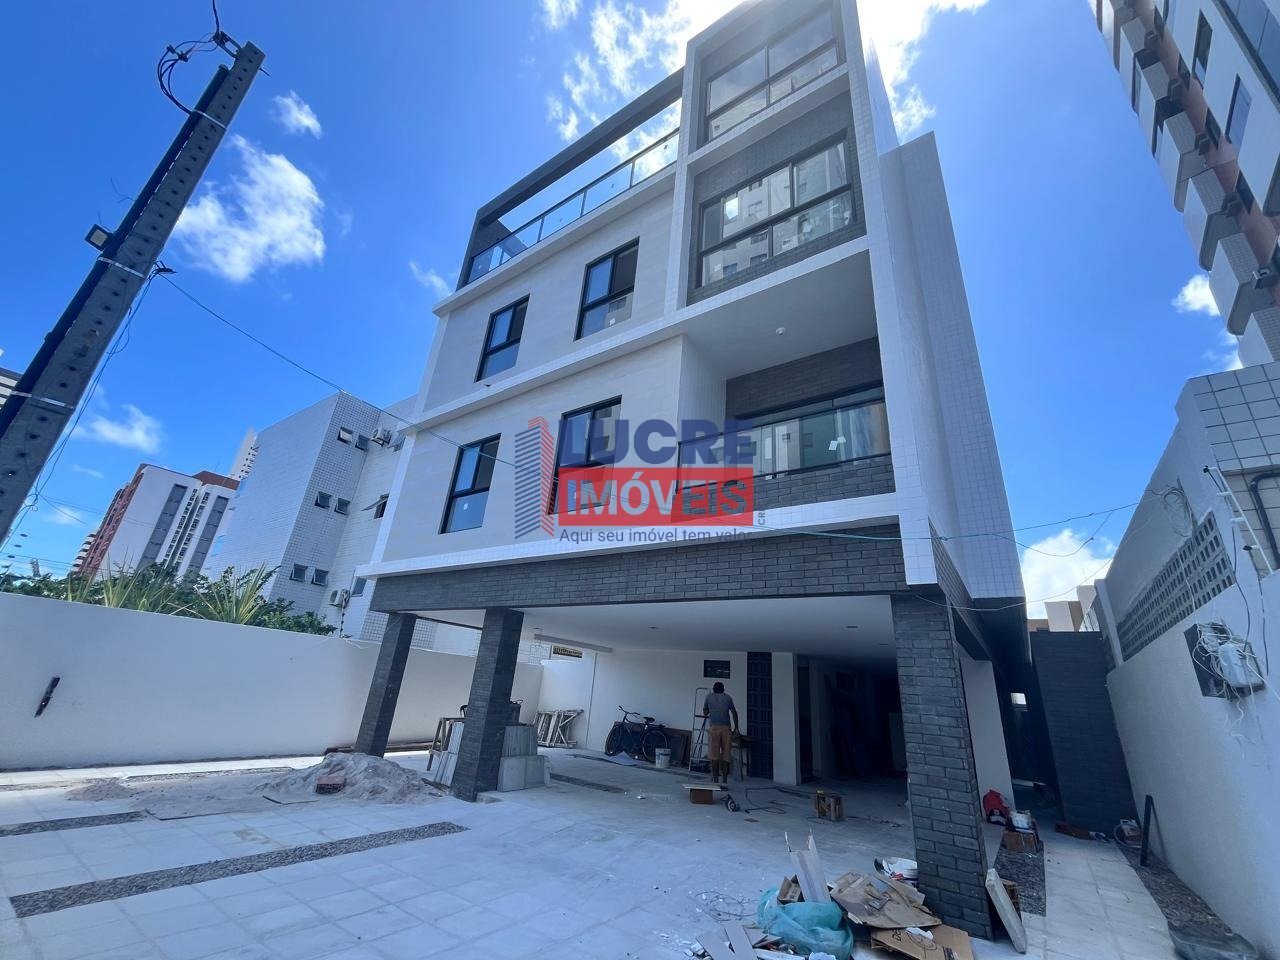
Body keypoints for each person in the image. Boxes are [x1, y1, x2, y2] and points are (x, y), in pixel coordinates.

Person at [701, 682, 739, 785]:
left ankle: (716, 781)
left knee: (714, 756)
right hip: (726, 728)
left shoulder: (708, 697)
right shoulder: (728, 698)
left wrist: (711, 709)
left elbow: (705, 712)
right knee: (726, 756)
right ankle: (725, 781)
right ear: (723, 689)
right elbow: (734, 712)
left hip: (714, 728)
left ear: (713, 689)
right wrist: (736, 728)